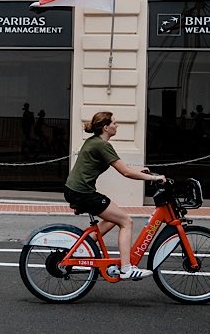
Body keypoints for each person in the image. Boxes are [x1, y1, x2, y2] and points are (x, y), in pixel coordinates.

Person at [64, 111, 166, 280]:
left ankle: (83, 247)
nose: (117, 125)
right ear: (106, 127)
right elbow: (125, 172)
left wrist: (140, 171)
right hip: (82, 193)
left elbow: (123, 167)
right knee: (126, 221)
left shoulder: (94, 141)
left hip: (76, 191)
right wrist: (154, 178)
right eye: (114, 123)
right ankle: (126, 268)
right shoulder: (102, 145)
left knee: (113, 219)